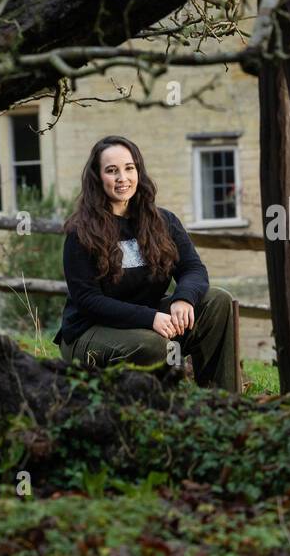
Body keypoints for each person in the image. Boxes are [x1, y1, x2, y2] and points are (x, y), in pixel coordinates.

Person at [53, 135, 237, 389]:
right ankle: (154, 407)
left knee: (218, 301)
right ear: (97, 178)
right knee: (152, 345)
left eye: (129, 168)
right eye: (111, 170)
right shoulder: (81, 232)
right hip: (91, 331)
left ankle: (221, 400)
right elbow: (88, 301)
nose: (122, 178)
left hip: (149, 322)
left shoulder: (162, 221)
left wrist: (184, 298)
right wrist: (150, 318)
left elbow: (193, 268)